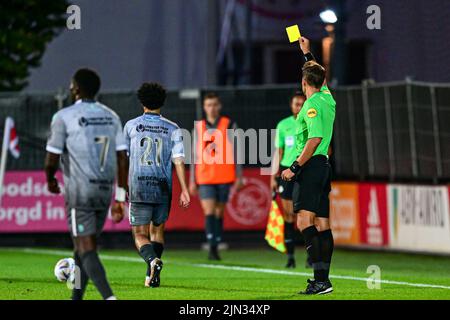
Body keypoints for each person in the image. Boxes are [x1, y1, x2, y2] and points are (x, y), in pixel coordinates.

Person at [45, 68, 128, 300]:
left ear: (77, 89)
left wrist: (50, 178)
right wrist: (120, 198)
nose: (70, 88)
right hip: (104, 191)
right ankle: (76, 298)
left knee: (86, 248)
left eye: (72, 85)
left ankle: (110, 298)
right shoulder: (111, 116)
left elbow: (52, 157)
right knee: (81, 249)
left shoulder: (64, 116)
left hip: (80, 192)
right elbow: (123, 158)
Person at [281, 37, 336, 295]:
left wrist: (294, 166)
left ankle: (319, 279)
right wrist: (307, 53)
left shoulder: (312, 105)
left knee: (303, 222)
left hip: (312, 167)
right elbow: (320, 77)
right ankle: (323, 280)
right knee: (323, 224)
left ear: (304, 83)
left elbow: (314, 139)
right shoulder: (327, 98)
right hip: (325, 167)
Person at [123, 82, 190, 287]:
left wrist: (123, 185)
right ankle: (150, 275)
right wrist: (185, 190)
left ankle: (152, 261)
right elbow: (179, 160)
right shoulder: (173, 128)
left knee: (140, 233)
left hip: (139, 186)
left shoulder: (131, 126)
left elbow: (123, 159)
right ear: (162, 102)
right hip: (163, 187)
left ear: (142, 102)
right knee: (157, 231)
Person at [189, 93, 244, 260]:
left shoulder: (229, 125)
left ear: (219, 106)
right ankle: (212, 247)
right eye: (208, 105)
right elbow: (193, 156)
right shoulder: (198, 128)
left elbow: (237, 152)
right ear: (204, 107)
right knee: (209, 210)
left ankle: (217, 241)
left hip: (225, 175)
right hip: (204, 176)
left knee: (219, 212)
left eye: (214, 104)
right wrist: (192, 180)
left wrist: (239, 176)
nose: (211, 108)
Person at [271, 91, 308, 269]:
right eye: (296, 104)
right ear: (291, 105)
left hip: (304, 172)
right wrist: (273, 176)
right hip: (286, 173)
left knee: (305, 215)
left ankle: (311, 256)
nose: (299, 107)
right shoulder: (283, 125)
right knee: (288, 216)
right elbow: (278, 152)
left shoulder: (310, 122)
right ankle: (291, 257)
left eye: (302, 103)